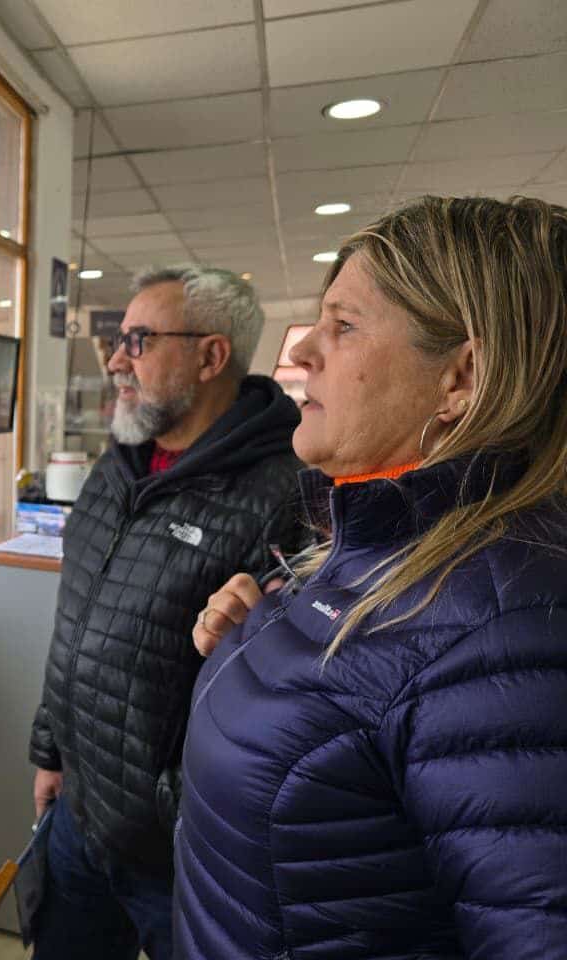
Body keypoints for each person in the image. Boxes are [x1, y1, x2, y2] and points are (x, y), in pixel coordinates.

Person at [176, 196, 567, 958]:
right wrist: (255, 646)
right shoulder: (377, 544)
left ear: (462, 378)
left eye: (343, 326)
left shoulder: (514, 632)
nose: (301, 356)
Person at [28, 266, 306, 960]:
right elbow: (75, 622)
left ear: (211, 357)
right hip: (80, 813)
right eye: (121, 339)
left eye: (141, 340)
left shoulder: (286, 495)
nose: (119, 359)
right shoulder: (115, 465)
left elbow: (282, 698)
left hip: (176, 854)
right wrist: (51, 751)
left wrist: (172, 809)